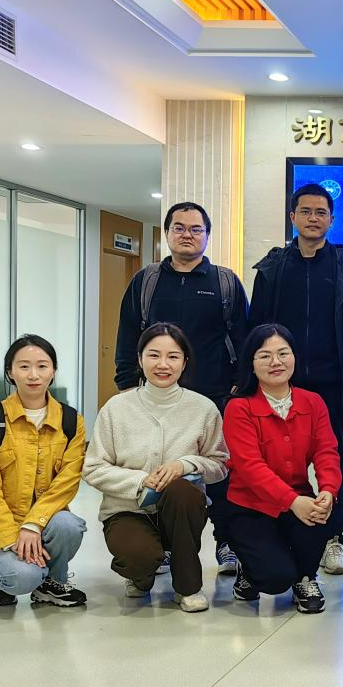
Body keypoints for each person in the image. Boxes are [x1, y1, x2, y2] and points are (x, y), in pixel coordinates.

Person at [114, 201, 248, 575]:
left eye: (195, 229)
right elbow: (129, 333)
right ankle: (165, 544)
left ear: (207, 236)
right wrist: (126, 383)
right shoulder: (147, 281)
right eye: (179, 227)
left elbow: (243, 336)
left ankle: (227, 543)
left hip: (215, 395)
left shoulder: (224, 282)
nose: (187, 235)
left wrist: (239, 387)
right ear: (168, 233)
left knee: (221, 472)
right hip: (157, 399)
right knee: (160, 470)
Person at [249, 183, 343, 577]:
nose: (313, 218)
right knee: (276, 461)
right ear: (293, 217)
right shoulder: (273, 269)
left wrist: (335, 351)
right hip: (279, 385)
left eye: (321, 212)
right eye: (305, 211)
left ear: (331, 220)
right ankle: (279, 530)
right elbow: (257, 325)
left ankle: (332, 538)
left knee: (331, 461)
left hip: (332, 384)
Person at [85, 323, 229, 613]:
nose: (163, 364)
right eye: (154, 355)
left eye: (173, 356)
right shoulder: (116, 408)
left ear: (184, 362)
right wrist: (140, 481)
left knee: (182, 491)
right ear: (140, 359)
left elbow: (220, 464)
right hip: (127, 510)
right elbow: (93, 468)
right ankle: (142, 574)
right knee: (139, 558)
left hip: (181, 511)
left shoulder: (203, 408)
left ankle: (188, 586)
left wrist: (184, 464)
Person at [222, 324, 343, 614]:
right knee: (275, 579)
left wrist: (328, 491)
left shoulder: (313, 402)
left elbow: (326, 452)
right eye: (265, 356)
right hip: (250, 506)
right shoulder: (239, 408)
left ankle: (305, 578)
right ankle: (249, 569)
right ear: (251, 363)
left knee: (319, 515)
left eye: (283, 353)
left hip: (298, 498)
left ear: (294, 357)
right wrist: (292, 501)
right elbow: (250, 467)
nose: (276, 362)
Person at [0, 334, 87, 608]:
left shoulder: (71, 421)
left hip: (44, 520)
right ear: (10, 372)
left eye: (42, 366)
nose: (33, 374)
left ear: (53, 371)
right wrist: (12, 538)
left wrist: (33, 524)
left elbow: (67, 482)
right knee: (24, 576)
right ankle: (1, 577)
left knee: (68, 525)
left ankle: (52, 583)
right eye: (23, 366)